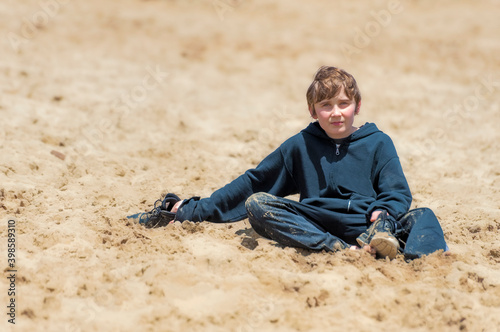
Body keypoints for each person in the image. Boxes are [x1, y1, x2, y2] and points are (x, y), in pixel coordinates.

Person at [131, 66, 448, 260]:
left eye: (343, 104)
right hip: (317, 221)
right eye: (326, 105)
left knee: (423, 216)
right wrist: (189, 210)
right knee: (259, 204)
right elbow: (255, 182)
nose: (336, 112)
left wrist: (384, 214)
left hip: (371, 223)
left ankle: (415, 259)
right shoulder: (299, 145)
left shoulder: (379, 143)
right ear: (313, 111)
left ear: (357, 106)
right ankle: (336, 249)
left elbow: (396, 192)